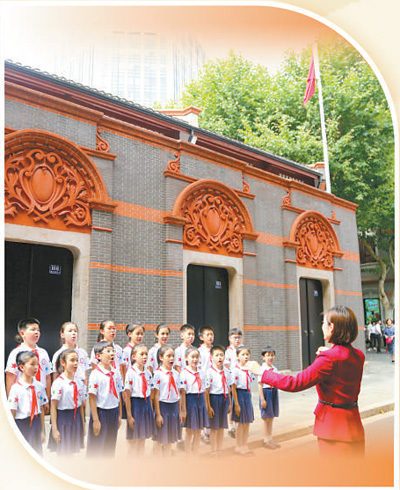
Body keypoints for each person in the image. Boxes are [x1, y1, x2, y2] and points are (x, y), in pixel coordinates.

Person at [246, 305, 365, 457]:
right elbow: (342, 360)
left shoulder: (328, 359)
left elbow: (295, 383)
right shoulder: (358, 355)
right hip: (353, 425)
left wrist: (262, 372)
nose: (322, 327)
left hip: (333, 429)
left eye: (324, 323)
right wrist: (329, 353)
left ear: (331, 327)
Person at [5, 318, 52, 413]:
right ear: (22, 334)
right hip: (23, 395)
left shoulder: (43, 353)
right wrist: (11, 402)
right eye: (33, 329)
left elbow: (47, 377)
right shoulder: (16, 353)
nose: (36, 332)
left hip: (39, 394)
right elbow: (10, 378)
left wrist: (47, 398)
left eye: (38, 330)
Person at [86, 340, 123, 457]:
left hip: (114, 412)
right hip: (101, 413)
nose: (112, 353)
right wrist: (96, 420)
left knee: (110, 445)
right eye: (108, 351)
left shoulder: (116, 373)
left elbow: (118, 394)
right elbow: (92, 398)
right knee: (97, 446)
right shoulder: (95, 374)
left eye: (113, 351)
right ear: (98, 356)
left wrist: (119, 415)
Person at [7, 351, 48, 454]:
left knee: (37, 453)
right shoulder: (16, 388)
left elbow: (41, 409)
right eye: (32, 364)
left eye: (37, 364)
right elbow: (12, 412)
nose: (36, 367)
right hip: (21, 424)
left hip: (36, 424)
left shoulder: (39, 386)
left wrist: (42, 431)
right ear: (22, 367)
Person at [48, 349, 87, 454]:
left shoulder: (79, 382)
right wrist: (55, 429)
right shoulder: (58, 383)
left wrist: (83, 425)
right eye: (72, 360)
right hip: (63, 420)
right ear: (63, 363)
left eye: (77, 360)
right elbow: (53, 407)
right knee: (63, 451)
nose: (75, 363)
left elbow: (80, 406)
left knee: (74, 451)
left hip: (76, 418)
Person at [152, 345, 183, 457]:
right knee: (159, 438)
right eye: (168, 356)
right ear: (161, 357)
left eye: (173, 356)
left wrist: (179, 412)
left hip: (173, 408)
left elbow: (178, 393)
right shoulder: (158, 374)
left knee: (170, 438)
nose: (171, 358)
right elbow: (156, 395)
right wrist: (158, 414)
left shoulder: (176, 374)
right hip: (162, 407)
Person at [124, 344, 155, 455]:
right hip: (135, 405)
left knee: (142, 438)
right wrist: (129, 416)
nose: (144, 357)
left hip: (145, 405)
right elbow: (127, 396)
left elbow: (151, 393)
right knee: (134, 439)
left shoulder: (148, 373)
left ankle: (141, 460)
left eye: (146, 354)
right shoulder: (130, 373)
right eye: (141, 354)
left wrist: (150, 410)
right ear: (134, 356)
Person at [179, 347, 208, 455]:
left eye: (197, 357)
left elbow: (204, 390)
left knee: (198, 431)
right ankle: (188, 455)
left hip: (200, 401)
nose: (195, 359)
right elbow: (182, 392)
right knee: (189, 431)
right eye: (192, 357)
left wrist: (205, 406)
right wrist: (183, 409)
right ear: (186, 358)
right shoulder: (184, 373)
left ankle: (195, 453)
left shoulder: (201, 372)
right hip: (190, 402)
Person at [204, 345, 232, 457]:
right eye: (217, 355)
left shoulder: (227, 371)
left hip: (224, 398)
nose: (219, 357)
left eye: (221, 355)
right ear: (211, 357)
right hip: (214, 399)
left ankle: (220, 449)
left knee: (221, 427)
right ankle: (213, 451)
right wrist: (208, 406)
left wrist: (229, 403)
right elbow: (206, 391)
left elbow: (229, 388)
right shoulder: (209, 372)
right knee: (214, 428)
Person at [231, 346, 255, 455]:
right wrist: (236, 404)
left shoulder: (249, 370)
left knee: (247, 423)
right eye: (243, 354)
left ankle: (245, 444)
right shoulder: (235, 370)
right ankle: (239, 446)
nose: (245, 357)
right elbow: (233, 388)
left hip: (247, 395)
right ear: (237, 356)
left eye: (247, 354)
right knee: (240, 423)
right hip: (239, 395)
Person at [258, 346, 280, 449]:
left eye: (272, 355)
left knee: (271, 417)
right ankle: (265, 440)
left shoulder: (275, 369)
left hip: (273, 391)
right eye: (268, 355)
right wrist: (262, 399)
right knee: (265, 417)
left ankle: (270, 439)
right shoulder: (262, 369)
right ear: (263, 357)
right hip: (266, 392)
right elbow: (260, 385)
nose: (270, 357)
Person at [224, 328, 243, 438]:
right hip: (231, 380)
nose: (237, 340)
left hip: (241, 380)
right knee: (231, 403)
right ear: (230, 338)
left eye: (239, 337)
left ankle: (237, 425)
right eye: (235, 337)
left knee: (239, 402)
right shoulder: (228, 352)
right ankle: (231, 426)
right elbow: (226, 367)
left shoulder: (242, 349)